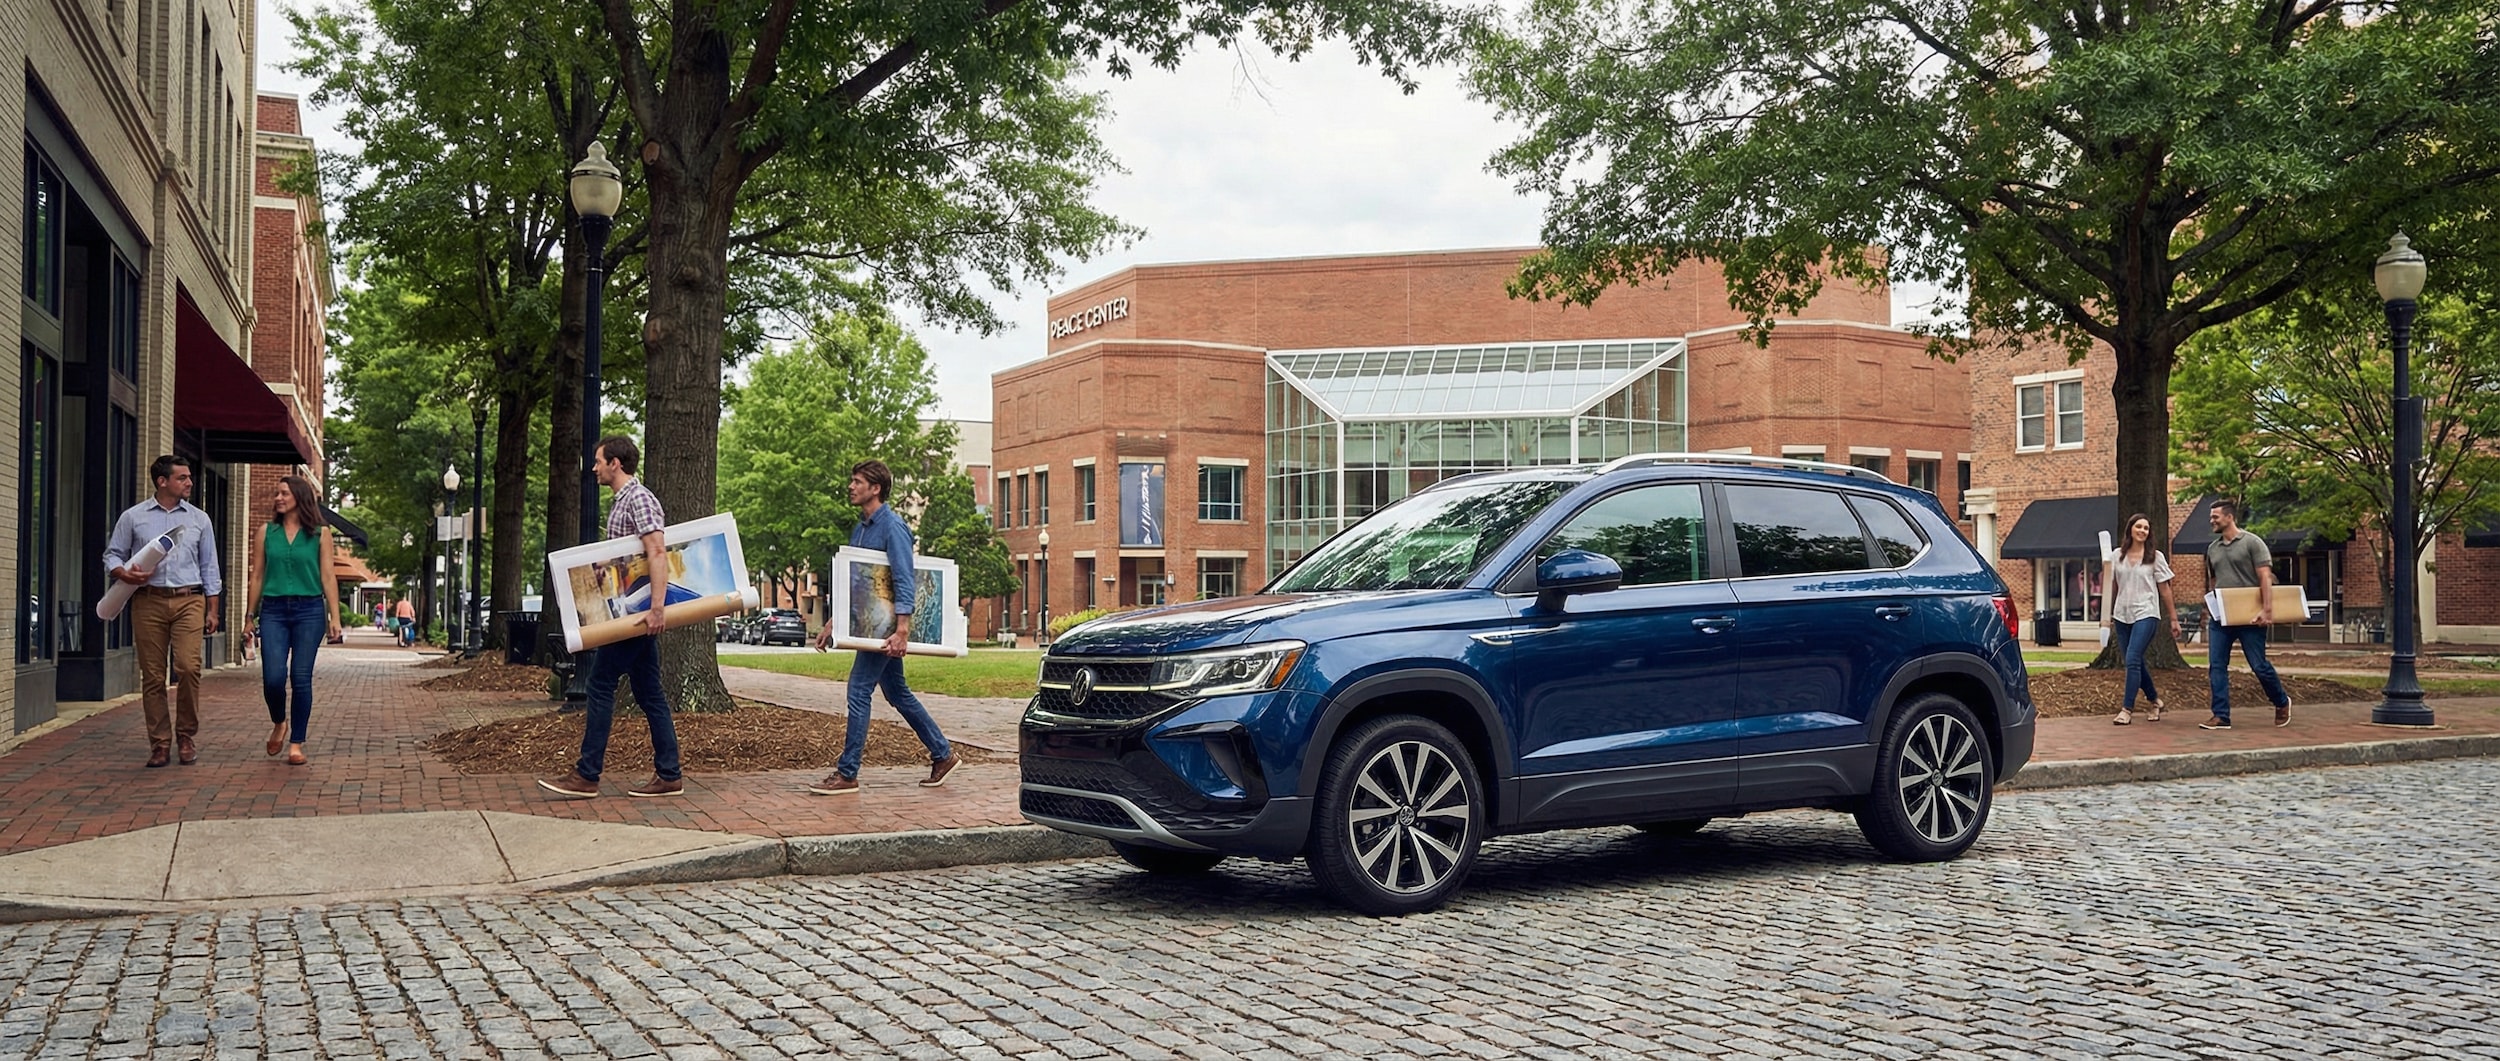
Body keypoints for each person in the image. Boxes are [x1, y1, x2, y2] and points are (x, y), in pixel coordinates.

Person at [539, 436, 685, 799]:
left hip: (637, 615)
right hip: (629, 612)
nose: (594, 467)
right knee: (650, 693)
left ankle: (587, 775)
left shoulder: (640, 499)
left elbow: (656, 552)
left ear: (615, 463)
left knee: (600, 684)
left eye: (598, 460)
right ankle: (669, 774)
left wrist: (656, 608)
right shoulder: (624, 502)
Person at [809, 459, 958, 795]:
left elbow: (905, 579)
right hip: (869, 625)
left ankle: (847, 773)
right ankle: (943, 754)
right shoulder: (861, 528)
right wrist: (834, 622)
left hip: (885, 629)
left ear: (875, 488)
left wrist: (902, 629)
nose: (851, 486)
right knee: (896, 692)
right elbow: (856, 586)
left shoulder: (893, 527)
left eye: (857, 481)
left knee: (859, 689)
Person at [102, 455, 223, 768]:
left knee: (187, 667)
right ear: (162, 481)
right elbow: (112, 555)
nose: (189, 482)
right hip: (148, 601)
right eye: (182, 478)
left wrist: (213, 609)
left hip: (189, 600)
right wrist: (123, 573)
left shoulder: (200, 519)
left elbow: (210, 566)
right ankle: (159, 743)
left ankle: (186, 735)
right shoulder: (133, 517)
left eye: (189, 477)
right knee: (153, 676)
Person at [248, 475, 342, 766]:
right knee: (273, 678)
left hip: (309, 611)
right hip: (273, 610)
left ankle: (297, 743)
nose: (278, 498)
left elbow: (328, 575)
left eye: (284, 493)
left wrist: (335, 618)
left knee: (301, 678)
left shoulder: (320, 533)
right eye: (277, 493)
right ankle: (279, 721)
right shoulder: (267, 532)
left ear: (299, 497)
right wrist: (249, 617)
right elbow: (258, 576)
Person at [2202, 499, 2293, 730]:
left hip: (2251, 616)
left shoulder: (2252, 542)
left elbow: (2264, 576)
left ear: (2229, 517)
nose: (2212, 520)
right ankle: (2221, 716)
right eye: (2211, 517)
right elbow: (2214, 580)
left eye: (2216, 516)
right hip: (2222, 616)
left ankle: (2281, 701)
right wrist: (2212, 605)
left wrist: (2267, 609)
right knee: (2217, 665)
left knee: (2258, 665)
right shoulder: (2212, 549)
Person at [2097, 513, 2180, 725]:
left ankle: (2127, 709)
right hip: (2122, 614)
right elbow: (2112, 585)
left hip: (2146, 612)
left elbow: (2165, 589)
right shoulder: (2117, 555)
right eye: (2139, 527)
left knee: (2133, 658)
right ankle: (2154, 701)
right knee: (2135, 662)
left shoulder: (2155, 557)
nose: (2142, 531)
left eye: (2146, 528)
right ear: (2130, 529)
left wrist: (2174, 619)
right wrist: (2106, 614)